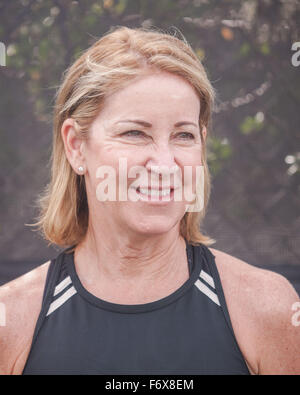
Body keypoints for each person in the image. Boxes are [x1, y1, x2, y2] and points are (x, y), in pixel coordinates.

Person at [0, 26, 299, 375]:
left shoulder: (270, 308)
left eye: (183, 135)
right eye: (134, 133)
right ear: (76, 145)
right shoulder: (12, 319)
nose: (164, 163)